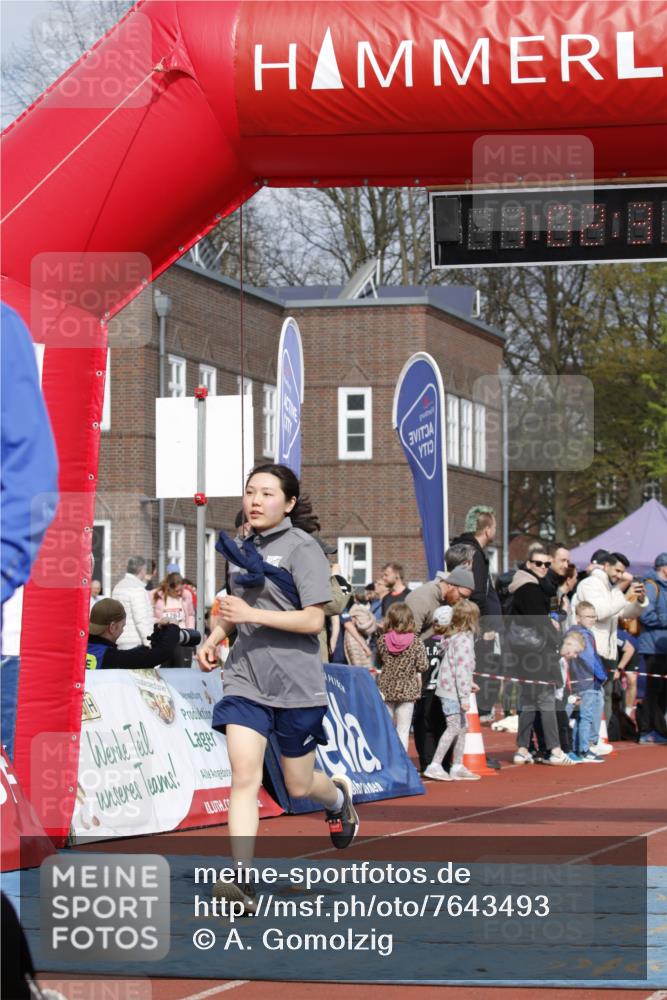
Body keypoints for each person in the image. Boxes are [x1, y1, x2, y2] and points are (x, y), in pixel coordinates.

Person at [197, 463, 359, 914]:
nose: (255, 500)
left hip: (296, 684)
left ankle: (339, 798)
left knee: (298, 783)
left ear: (288, 503)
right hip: (246, 678)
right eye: (250, 491)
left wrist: (253, 618)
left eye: (267, 493)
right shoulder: (241, 546)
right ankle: (242, 879)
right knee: (244, 777)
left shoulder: (303, 549)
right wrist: (215, 637)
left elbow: (314, 619)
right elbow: (237, 607)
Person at [509, 550, 574, 766]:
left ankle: (522, 749)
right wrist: (554, 630)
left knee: (528, 702)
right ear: (528, 564)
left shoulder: (532, 586)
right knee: (547, 700)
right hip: (537, 652)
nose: (543, 567)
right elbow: (539, 619)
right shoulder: (529, 588)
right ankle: (555, 750)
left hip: (524, 652)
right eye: (538, 563)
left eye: (547, 564)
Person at [573, 551, 649, 724]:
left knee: (605, 696)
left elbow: (624, 613)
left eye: (622, 572)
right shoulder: (589, 584)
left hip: (609, 651)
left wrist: (639, 600)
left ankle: (601, 735)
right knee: (590, 695)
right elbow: (599, 612)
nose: (619, 575)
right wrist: (623, 596)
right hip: (590, 649)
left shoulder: (612, 589)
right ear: (606, 566)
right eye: (617, 571)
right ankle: (586, 740)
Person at [424, 600, 481, 782]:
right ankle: (435, 764)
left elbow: (456, 665)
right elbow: (461, 669)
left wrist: (469, 683)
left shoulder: (455, 638)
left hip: (450, 687)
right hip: (452, 691)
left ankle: (457, 765)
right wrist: (464, 695)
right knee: (454, 727)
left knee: (462, 728)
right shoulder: (463, 640)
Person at [375, 603, 429, 752]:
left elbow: (378, 662)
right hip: (407, 690)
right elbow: (424, 666)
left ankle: (384, 761)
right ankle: (401, 764)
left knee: (385, 728)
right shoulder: (416, 642)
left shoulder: (382, 640)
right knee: (403, 731)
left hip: (386, 689)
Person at [565, 602, 609, 762]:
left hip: (577, 681)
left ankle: (576, 747)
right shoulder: (583, 635)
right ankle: (583, 749)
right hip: (587, 681)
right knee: (586, 716)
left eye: (594, 616)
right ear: (578, 618)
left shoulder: (571, 633)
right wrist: (602, 676)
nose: (592, 619)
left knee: (577, 716)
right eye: (588, 616)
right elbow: (590, 658)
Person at [85, 598, 181, 669]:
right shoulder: (109, 657)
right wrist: (173, 626)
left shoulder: (79, 649)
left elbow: (131, 656)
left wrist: (156, 634)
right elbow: (158, 655)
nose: (122, 631)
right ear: (112, 627)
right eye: (123, 626)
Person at [414, 605, 452, 773]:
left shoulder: (423, 644)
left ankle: (426, 762)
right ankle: (443, 763)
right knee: (444, 727)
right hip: (444, 692)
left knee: (424, 728)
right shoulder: (451, 645)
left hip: (425, 690)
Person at [635, 552, 667, 744]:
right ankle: (647, 730)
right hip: (652, 647)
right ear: (664, 568)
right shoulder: (651, 586)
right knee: (653, 691)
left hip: (663, 646)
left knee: (664, 691)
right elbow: (646, 616)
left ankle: (659, 728)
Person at [406, 565, 475, 639]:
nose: (462, 601)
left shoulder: (449, 600)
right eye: (461, 595)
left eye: (465, 598)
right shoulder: (421, 599)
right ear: (450, 585)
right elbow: (409, 639)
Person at [152, 571, 196, 666]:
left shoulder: (186, 596)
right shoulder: (159, 599)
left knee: (183, 669)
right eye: (176, 591)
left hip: (183, 640)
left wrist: (190, 631)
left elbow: (191, 615)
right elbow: (154, 618)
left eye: (181, 590)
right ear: (169, 588)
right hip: (166, 641)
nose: (179, 593)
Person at [112, 556, 155, 650]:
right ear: (142, 570)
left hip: (119, 639)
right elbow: (141, 619)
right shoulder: (137, 589)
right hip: (135, 641)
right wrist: (149, 642)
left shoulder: (118, 586)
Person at [343, 590, 377, 667]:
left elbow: (350, 624)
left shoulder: (352, 610)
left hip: (356, 641)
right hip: (360, 642)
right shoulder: (364, 609)